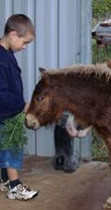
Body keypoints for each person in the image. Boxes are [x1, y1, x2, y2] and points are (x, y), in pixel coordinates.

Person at [0, 14, 38, 200]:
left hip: (7, 111)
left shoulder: (7, 55)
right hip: (6, 113)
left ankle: (4, 179)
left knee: (3, 146)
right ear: (13, 34)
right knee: (12, 146)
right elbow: (1, 92)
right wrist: (21, 106)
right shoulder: (1, 58)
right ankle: (14, 187)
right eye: (24, 42)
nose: (24, 47)